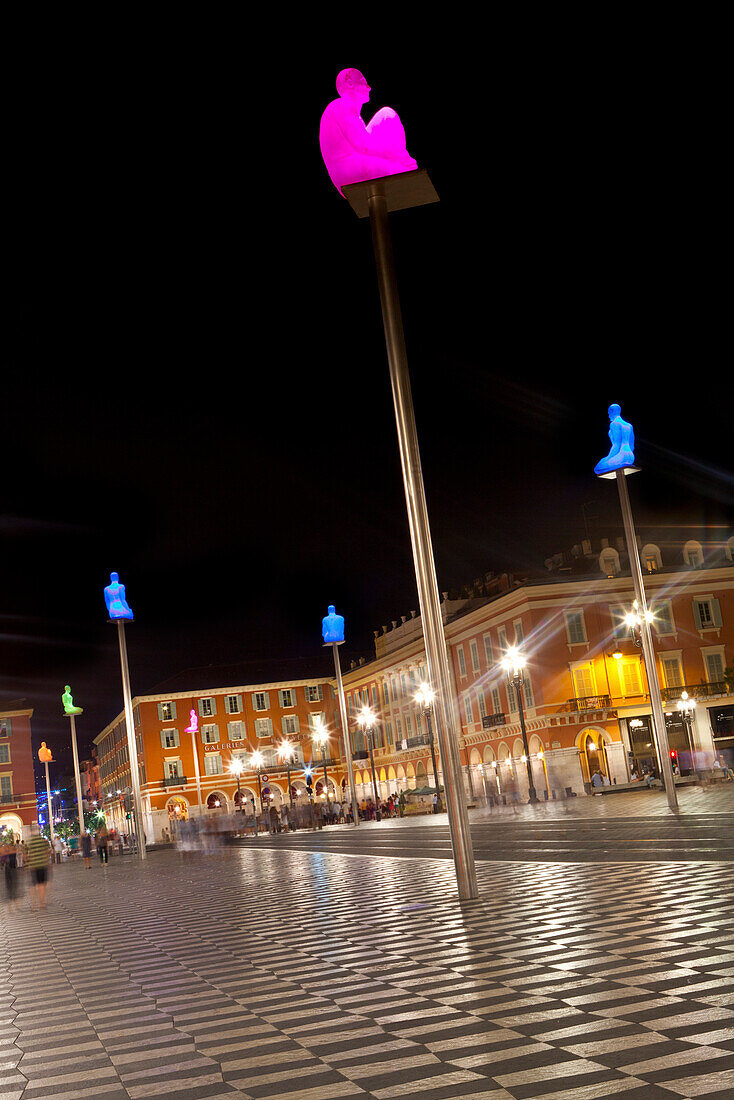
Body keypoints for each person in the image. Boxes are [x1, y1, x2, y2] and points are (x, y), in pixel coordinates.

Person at [27, 824, 51, 909]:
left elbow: (26, 855)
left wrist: (27, 864)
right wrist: (47, 860)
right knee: (41, 884)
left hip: (33, 866)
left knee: (33, 885)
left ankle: (33, 905)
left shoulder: (29, 842)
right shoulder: (43, 840)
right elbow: (48, 851)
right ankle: (41, 903)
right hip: (42, 864)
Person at [2, 837, 20, 911]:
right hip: (11, 869)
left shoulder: (7, 852)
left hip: (9, 869)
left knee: (11, 888)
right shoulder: (13, 851)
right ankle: (14, 906)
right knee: (12, 887)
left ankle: (12, 906)